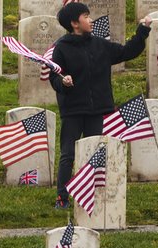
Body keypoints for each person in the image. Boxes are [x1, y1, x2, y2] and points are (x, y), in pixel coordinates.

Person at [49, 3, 152, 209]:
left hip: (98, 110)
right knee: (68, 153)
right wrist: (64, 82)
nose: (91, 20)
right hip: (73, 110)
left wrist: (142, 31)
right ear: (74, 23)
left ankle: (91, 192)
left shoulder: (100, 45)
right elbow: (54, 77)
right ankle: (62, 196)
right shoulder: (62, 48)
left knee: (94, 153)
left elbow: (127, 52)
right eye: (86, 16)